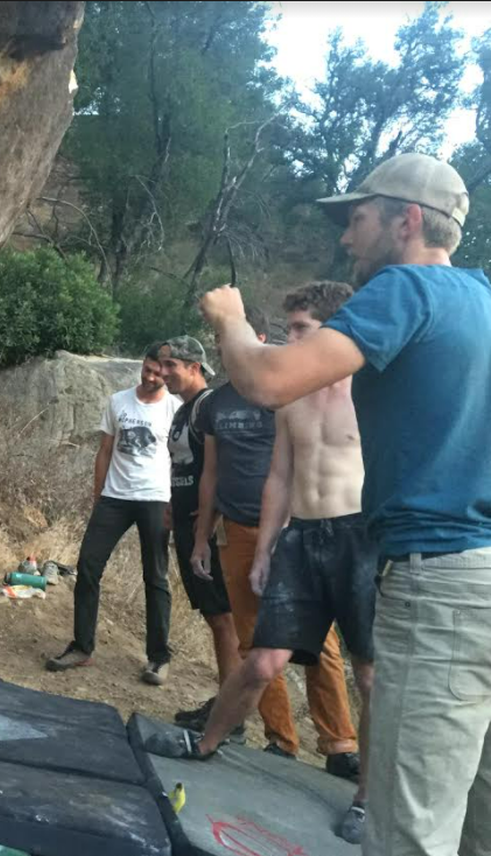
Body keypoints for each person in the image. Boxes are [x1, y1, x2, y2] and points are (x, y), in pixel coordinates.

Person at [198, 152, 491, 856]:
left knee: (408, 828)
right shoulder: (483, 300)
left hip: (443, 580)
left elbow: (268, 382)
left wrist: (230, 320)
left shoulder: (406, 290)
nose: (346, 237)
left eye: (357, 218)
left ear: (408, 220)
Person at [149, 282, 376, 843]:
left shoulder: (374, 392)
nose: (290, 339)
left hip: (360, 538)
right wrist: (270, 546)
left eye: (300, 329)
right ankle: (204, 743)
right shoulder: (291, 397)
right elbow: (278, 476)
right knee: (263, 660)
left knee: (371, 676)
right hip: (302, 535)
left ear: (334, 330)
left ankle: (368, 797)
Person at [191, 307, 360, 770]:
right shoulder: (216, 404)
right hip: (239, 529)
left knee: (321, 647)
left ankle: (340, 746)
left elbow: (300, 466)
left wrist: (291, 525)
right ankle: (281, 741)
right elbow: (211, 474)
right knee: (255, 643)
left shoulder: (289, 386)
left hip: (298, 530)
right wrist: (202, 536)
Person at [47, 345, 181, 685]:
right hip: (114, 497)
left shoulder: (174, 408)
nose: (151, 377)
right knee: (89, 566)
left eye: (158, 373)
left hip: (155, 498)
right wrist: (98, 495)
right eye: (147, 370)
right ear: (142, 366)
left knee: (155, 576)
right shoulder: (118, 401)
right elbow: (104, 450)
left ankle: (158, 658)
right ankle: (82, 647)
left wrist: (174, 503)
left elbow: (180, 459)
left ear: (167, 373)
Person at [155, 337, 242, 732]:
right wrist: (175, 502)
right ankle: (227, 703)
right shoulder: (182, 412)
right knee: (213, 616)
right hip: (189, 524)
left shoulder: (208, 406)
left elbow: (222, 465)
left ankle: (232, 714)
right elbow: (185, 466)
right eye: (162, 364)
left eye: (171, 365)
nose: (163, 372)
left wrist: (210, 519)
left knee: (223, 618)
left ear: (195, 366)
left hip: (206, 528)